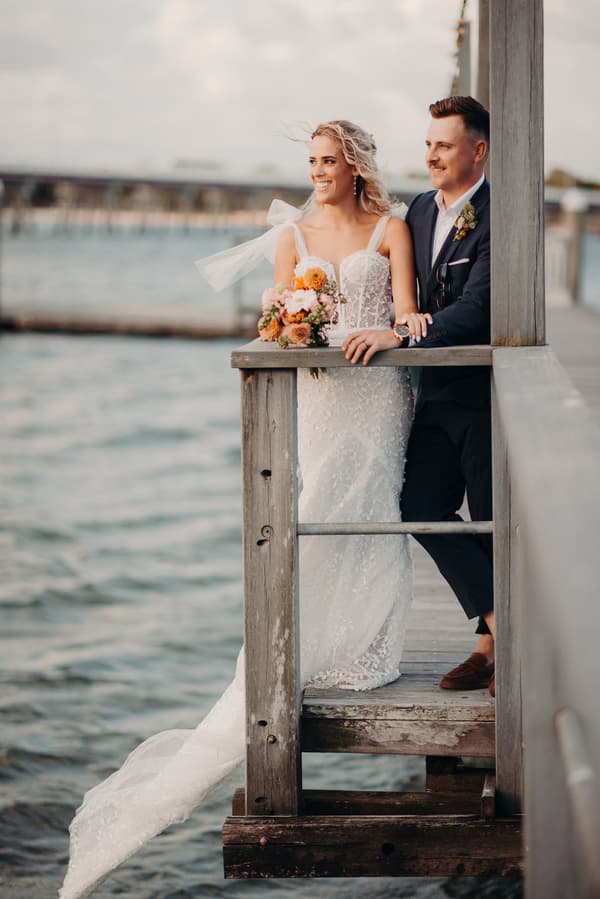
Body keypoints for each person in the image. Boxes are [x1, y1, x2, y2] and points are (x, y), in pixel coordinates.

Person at [59, 120, 423, 898]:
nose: (320, 172)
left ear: (356, 166)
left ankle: (368, 645)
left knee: (372, 507)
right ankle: (310, 642)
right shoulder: (292, 233)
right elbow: (283, 322)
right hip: (325, 398)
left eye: (330, 161)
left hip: (379, 392)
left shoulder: (392, 228)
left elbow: (402, 312)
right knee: (319, 503)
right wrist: (293, 324)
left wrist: (379, 333)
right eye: (313, 162)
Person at [343, 96, 494, 697]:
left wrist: (403, 331)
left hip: (485, 392)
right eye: (428, 144)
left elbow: (478, 308)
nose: (431, 155)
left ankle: (487, 651)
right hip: (433, 394)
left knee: (487, 522)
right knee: (419, 505)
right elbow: (408, 294)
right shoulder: (421, 214)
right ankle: (500, 625)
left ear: (477, 151)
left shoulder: (500, 213)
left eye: (444, 145)